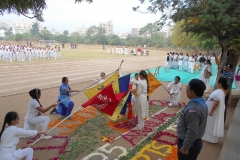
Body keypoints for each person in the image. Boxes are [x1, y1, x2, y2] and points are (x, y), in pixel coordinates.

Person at [177, 79, 208, 160]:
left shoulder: (193, 110)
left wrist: (185, 147)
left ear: (192, 92)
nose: (186, 90)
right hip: (194, 142)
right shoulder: (202, 100)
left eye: (187, 88)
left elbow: (192, 130)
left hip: (190, 144)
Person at [202, 77, 227, 143]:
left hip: (212, 111)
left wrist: (211, 111)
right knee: (210, 124)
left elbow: (217, 102)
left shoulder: (219, 91)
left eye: (217, 81)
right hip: (212, 110)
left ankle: (210, 138)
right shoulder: (221, 91)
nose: (216, 82)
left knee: (210, 124)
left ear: (220, 83)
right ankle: (209, 137)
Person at [213, 53, 234, 123]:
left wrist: (223, 95)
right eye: (225, 67)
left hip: (224, 93)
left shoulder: (230, 76)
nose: (225, 69)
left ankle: (222, 121)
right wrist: (215, 56)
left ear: (230, 69)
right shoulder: (225, 72)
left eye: (227, 68)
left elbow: (228, 87)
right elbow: (219, 65)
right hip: (220, 92)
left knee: (223, 106)